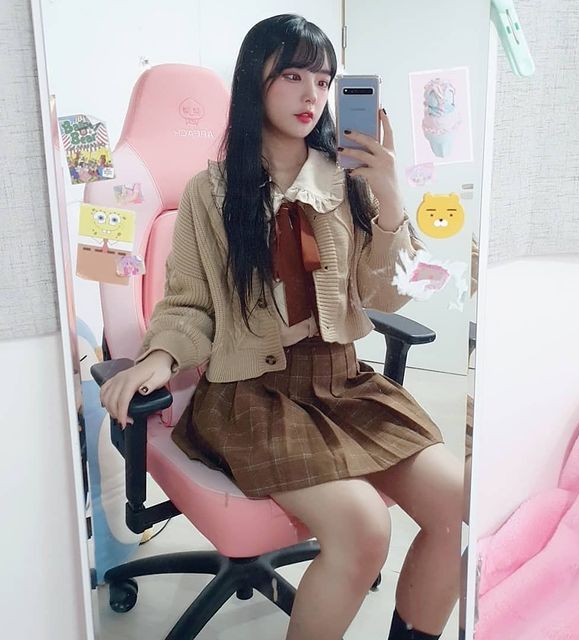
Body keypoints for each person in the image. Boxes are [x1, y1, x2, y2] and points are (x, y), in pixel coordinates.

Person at [99, 14, 464, 640]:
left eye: (322, 80)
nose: (310, 95)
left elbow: (385, 292)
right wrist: (159, 356)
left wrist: (388, 197)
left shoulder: (349, 181)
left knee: (459, 504)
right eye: (292, 75)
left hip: (342, 383)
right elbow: (188, 304)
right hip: (253, 396)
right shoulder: (210, 193)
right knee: (364, 530)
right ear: (254, 80)